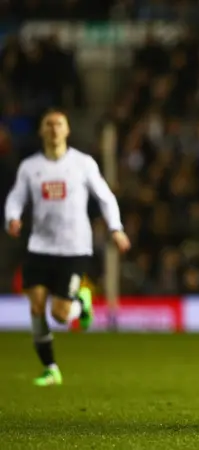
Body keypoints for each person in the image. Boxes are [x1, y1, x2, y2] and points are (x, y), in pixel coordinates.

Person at [4, 110, 131, 387]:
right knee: (36, 306)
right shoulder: (30, 167)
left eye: (58, 124)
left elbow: (105, 196)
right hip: (40, 246)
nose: (53, 128)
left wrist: (116, 228)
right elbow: (16, 196)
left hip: (74, 248)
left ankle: (81, 301)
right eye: (47, 123)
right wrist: (12, 217)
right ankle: (50, 368)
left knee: (59, 315)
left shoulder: (82, 164)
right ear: (41, 131)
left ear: (67, 130)